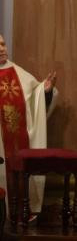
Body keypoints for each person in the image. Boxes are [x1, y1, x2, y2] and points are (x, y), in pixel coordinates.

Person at [0, 34, 57, 217]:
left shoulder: (19, 73)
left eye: (3, 44)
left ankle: (20, 212)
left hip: (18, 141)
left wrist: (45, 91)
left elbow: (35, 97)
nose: (2, 49)